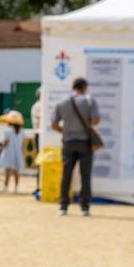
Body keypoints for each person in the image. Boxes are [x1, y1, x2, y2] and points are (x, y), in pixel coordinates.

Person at [51, 77, 100, 216]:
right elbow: (96, 120)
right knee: (85, 175)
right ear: (84, 87)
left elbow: (54, 124)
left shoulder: (61, 101)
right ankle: (85, 207)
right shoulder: (89, 101)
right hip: (85, 142)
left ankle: (63, 206)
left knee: (66, 175)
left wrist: (65, 131)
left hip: (68, 142)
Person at [0, 110, 26, 192]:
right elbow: (23, 145)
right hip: (18, 153)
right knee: (16, 171)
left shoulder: (8, 130)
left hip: (9, 153)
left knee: (7, 172)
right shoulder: (22, 131)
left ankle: (6, 187)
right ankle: (16, 188)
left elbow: (5, 142)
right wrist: (22, 154)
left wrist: (1, 146)